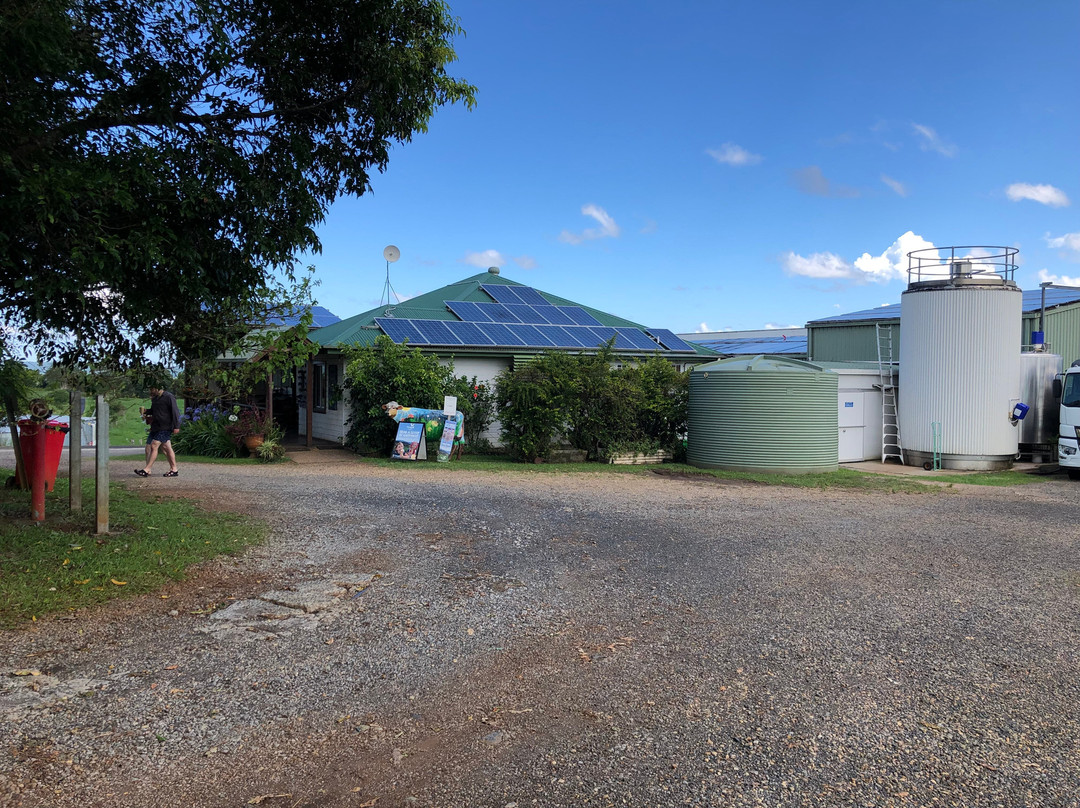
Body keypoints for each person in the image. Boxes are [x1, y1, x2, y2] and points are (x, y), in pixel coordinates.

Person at [134, 385, 181, 477]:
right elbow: (154, 410)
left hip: (165, 426)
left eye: (152, 389)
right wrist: (146, 411)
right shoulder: (155, 399)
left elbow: (175, 411)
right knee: (166, 448)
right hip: (156, 426)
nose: (151, 391)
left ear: (158, 388)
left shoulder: (169, 397)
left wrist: (176, 426)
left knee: (154, 445)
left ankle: (147, 469)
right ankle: (174, 469)